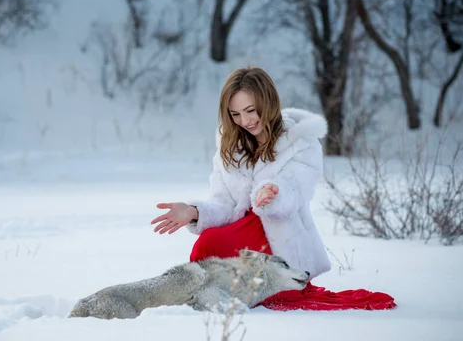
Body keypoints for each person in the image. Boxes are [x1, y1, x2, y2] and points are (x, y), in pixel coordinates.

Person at [151, 67, 396, 311]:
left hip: (277, 234)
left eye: (250, 110)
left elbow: (295, 190)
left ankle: (243, 290)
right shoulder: (229, 147)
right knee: (207, 243)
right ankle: (209, 295)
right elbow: (223, 203)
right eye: (235, 114)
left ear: (267, 100)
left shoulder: (301, 141)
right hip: (238, 230)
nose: (244, 121)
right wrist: (193, 212)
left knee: (220, 248)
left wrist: (272, 194)